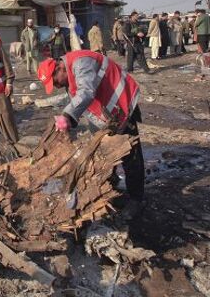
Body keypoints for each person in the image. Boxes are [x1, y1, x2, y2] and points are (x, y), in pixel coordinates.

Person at [36, 52, 146, 219]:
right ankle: (111, 188)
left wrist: (66, 115)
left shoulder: (81, 63)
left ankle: (136, 199)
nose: (57, 86)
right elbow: (78, 100)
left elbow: (86, 92)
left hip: (121, 102)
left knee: (130, 155)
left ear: (59, 68)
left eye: (55, 81)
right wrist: (70, 123)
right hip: (105, 113)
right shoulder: (68, 73)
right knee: (102, 153)